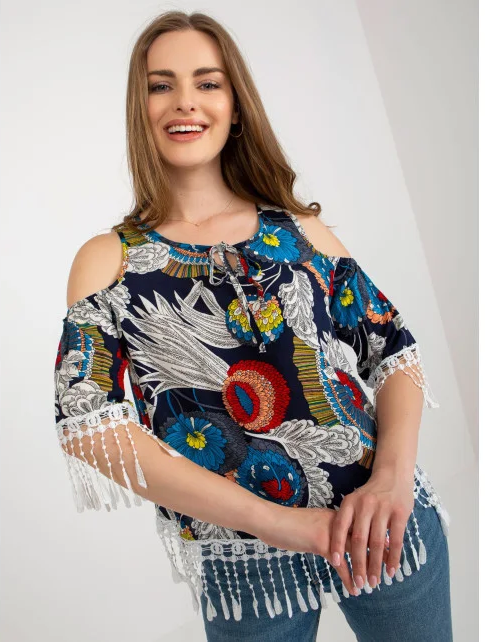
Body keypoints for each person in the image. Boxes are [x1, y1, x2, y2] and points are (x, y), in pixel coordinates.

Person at [54, 10, 453, 642]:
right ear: (140, 108)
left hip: (381, 526)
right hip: (244, 565)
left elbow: (393, 349)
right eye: (161, 85)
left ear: (236, 106)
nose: (185, 101)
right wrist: (284, 526)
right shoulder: (110, 259)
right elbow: (89, 427)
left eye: (207, 82)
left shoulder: (297, 229)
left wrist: (391, 481)